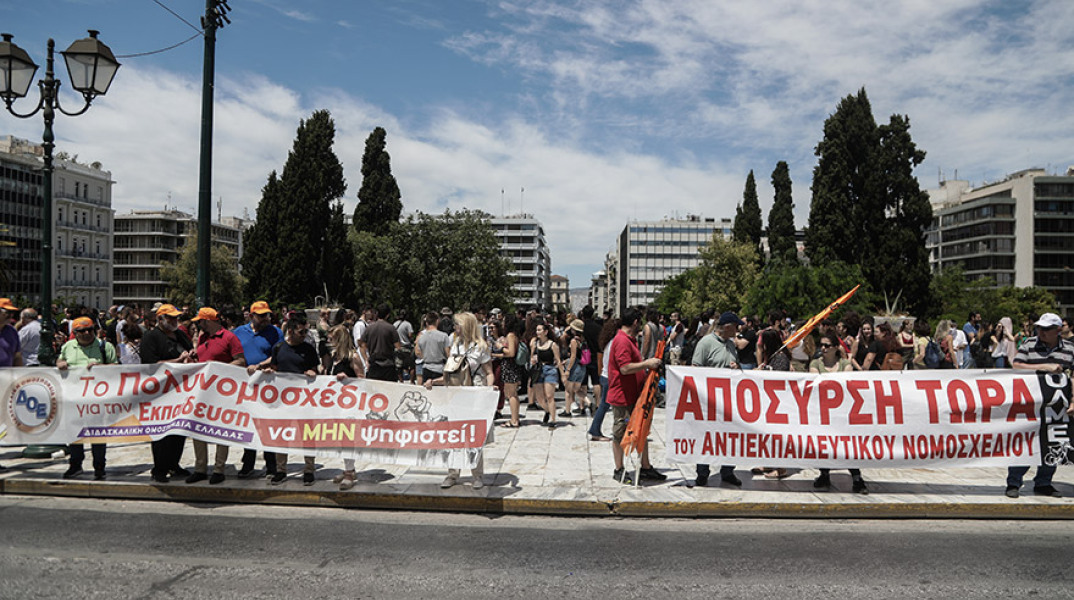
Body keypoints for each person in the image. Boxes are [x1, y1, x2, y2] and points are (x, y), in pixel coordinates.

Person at [1006, 313, 1074, 498]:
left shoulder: (1069, 348)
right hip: (1030, 404)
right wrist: (1045, 367)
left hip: (1057, 406)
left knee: (1052, 442)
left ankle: (1044, 482)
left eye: (1046, 329)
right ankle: (1014, 482)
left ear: (1058, 330)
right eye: (1039, 328)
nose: (1041, 332)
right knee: (1025, 441)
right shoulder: (1029, 344)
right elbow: (1017, 365)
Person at [424, 311, 493, 489]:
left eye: (458, 324)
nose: (455, 327)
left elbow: (489, 372)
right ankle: (452, 473)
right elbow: (453, 372)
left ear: (466, 326)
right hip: (455, 396)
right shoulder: (455, 345)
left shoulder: (481, 347)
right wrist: (435, 382)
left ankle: (477, 474)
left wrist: (489, 390)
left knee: (473, 436)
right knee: (453, 436)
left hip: (474, 394)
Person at [250, 315, 320, 485]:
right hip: (283, 401)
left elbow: (315, 370)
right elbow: (275, 367)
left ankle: (309, 469)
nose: (304, 334)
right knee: (281, 435)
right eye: (301, 331)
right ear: (290, 331)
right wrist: (269, 373)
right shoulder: (279, 348)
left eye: (306, 331)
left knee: (307, 435)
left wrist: (312, 372)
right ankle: (281, 470)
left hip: (304, 401)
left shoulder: (309, 349)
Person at [606, 308, 666, 485]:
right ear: (635, 322)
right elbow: (624, 368)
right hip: (623, 397)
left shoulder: (628, 339)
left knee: (642, 430)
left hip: (634, 395)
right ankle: (619, 469)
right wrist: (646, 363)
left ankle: (646, 467)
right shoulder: (622, 341)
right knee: (620, 433)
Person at [187, 307, 245, 485]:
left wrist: (219, 367)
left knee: (221, 429)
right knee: (197, 428)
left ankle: (219, 469)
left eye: (200, 321)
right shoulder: (202, 337)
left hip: (222, 391)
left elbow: (241, 361)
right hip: (202, 390)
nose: (198, 325)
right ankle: (200, 468)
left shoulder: (229, 337)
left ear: (209, 321)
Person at [55, 316, 117, 479]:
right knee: (74, 434)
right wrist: (59, 362)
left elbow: (117, 368)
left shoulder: (105, 346)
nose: (87, 333)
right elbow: (60, 358)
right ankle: (75, 465)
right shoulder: (68, 346)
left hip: (97, 400)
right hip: (73, 400)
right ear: (75, 333)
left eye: (90, 329)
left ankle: (99, 466)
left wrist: (102, 368)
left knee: (97, 435)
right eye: (82, 331)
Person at [139, 304, 195, 483]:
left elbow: (190, 354)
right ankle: (159, 468)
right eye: (170, 318)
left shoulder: (180, 335)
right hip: (161, 392)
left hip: (181, 390)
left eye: (175, 318)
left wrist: (192, 355)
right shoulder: (151, 337)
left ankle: (173, 464)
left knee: (179, 430)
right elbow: (150, 364)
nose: (174, 321)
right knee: (161, 431)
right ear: (160, 319)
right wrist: (177, 361)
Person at [691, 311, 743, 487]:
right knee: (706, 437)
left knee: (729, 437)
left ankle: (727, 471)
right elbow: (695, 369)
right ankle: (702, 472)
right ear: (727, 327)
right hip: (709, 401)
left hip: (728, 400)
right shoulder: (705, 343)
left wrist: (737, 367)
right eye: (736, 326)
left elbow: (735, 366)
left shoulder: (731, 345)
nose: (738, 330)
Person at [233, 301, 283, 479]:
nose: (265, 318)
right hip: (245, 384)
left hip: (266, 383)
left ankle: (271, 466)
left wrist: (260, 365)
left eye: (267, 315)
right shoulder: (239, 332)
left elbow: (278, 353)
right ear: (251, 315)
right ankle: (248, 463)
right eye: (261, 315)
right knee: (248, 424)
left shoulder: (275, 332)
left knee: (266, 424)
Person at [326, 324, 365, 490]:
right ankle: (349, 468)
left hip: (350, 404)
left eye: (332, 338)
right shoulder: (334, 356)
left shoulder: (353, 357)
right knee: (340, 438)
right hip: (336, 402)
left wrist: (347, 378)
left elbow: (362, 379)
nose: (329, 341)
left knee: (347, 437)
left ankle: (349, 472)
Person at [587, 317, 621, 442]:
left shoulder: (608, 342)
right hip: (609, 377)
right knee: (605, 405)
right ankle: (595, 430)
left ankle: (595, 430)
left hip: (605, 376)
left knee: (604, 405)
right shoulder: (615, 342)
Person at [493, 314, 524, 428]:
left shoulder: (510, 335)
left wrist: (500, 346)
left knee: (511, 394)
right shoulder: (514, 335)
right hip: (511, 366)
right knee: (512, 394)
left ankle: (514, 420)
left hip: (510, 367)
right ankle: (515, 418)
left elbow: (511, 352)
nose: (502, 323)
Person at [529, 321, 562, 428]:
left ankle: (553, 420)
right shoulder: (535, 344)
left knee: (549, 396)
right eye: (537, 330)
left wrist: (563, 375)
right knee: (539, 398)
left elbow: (558, 360)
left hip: (550, 370)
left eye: (539, 330)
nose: (537, 332)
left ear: (546, 332)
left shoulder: (552, 345)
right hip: (538, 370)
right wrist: (532, 360)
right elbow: (531, 357)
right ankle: (548, 411)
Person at [360, 303, 401, 382]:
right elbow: (398, 347)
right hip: (388, 366)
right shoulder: (391, 328)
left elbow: (362, 345)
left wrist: (366, 359)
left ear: (377, 313)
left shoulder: (369, 328)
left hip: (374, 365)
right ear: (388, 315)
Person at [559, 319, 590, 418]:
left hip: (575, 367)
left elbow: (573, 356)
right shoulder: (583, 339)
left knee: (568, 390)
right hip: (582, 367)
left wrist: (568, 370)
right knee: (577, 389)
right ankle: (589, 403)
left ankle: (567, 411)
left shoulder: (573, 341)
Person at [415, 312, 450, 385]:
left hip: (426, 368)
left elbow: (417, 352)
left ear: (426, 323)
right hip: (440, 368)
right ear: (437, 321)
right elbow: (448, 354)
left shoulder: (421, 337)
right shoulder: (444, 336)